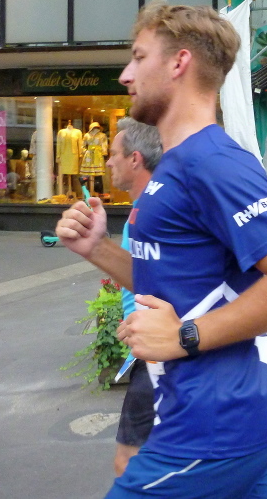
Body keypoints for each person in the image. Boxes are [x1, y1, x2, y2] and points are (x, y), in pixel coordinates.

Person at [55, 2, 267, 498]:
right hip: (225, 420)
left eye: (139, 57)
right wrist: (97, 248)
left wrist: (185, 336)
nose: (125, 74)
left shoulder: (213, 161)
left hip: (210, 429)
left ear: (179, 62)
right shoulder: (178, 166)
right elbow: (175, 281)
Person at [106, 117, 162, 477]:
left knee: (128, 462)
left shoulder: (154, 213)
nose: (108, 161)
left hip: (156, 355)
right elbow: (142, 278)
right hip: (151, 350)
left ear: (135, 159)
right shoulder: (143, 211)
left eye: (114, 154)